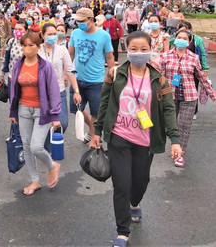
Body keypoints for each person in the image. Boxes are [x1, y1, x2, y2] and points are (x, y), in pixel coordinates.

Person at [91, 31, 183, 247]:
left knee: (140, 182)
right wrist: (97, 131)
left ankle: (135, 202)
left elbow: (168, 109)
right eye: (133, 49)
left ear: (150, 50)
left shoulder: (159, 79)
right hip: (119, 137)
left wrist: (175, 139)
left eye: (143, 49)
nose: (138, 53)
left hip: (146, 140)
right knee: (121, 184)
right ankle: (122, 231)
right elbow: (104, 103)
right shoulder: (115, 74)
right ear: (126, 48)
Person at [9, 31, 61, 194]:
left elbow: (53, 91)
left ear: (39, 47)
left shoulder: (46, 66)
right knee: (26, 145)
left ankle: (52, 166)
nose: (26, 48)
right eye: (24, 45)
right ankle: (34, 181)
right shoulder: (18, 64)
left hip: (42, 111)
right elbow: (13, 89)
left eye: (31, 45)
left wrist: (55, 115)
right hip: (23, 109)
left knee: (36, 147)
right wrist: (13, 112)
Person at [159, 30, 216, 168]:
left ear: (189, 41)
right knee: (170, 124)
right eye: (179, 37)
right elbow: (156, 74)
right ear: (175, 39)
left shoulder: (193, 58)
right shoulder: (165, 56)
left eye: (185, 38)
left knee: (184, 126)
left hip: (189, 97)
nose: (182, 40)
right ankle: (174, 138)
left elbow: (201, 76)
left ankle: (179, 154)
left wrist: (212, 93)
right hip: (169, 96)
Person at [69, 8, 115, 143]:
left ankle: (93, 138)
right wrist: (67, 73)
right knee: (76, 109)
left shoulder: (104, 36)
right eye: (77, 21)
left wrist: (112, 74)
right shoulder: (75, 33)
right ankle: (91, 128)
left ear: (90, 20)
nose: (78, 23)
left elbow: (110, 56)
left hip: (96, 81)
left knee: (96, 112)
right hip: (77, 79)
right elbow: (70, 53)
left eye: (81, 21)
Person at [39, 23, 81, 132]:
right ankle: (48, 148)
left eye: (54, 34)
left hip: (59, 91)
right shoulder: (37, 50)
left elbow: (70, 70)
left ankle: (54, 145)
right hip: (41, 93)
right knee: (45, 124)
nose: (53, 36)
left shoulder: (62, 50)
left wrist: (76, 91)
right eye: (49, 34)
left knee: (63, 123)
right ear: (42, 35)